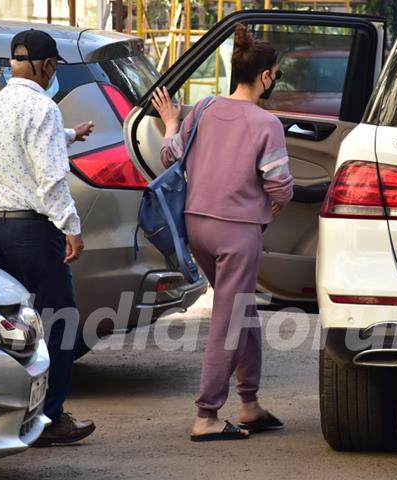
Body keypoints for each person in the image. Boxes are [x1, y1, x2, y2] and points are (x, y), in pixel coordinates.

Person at [152, 23, 294, 442]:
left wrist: (170, 122)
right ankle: (206, 414)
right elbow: (280, 184)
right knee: (229, 319)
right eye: (277, 75)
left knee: (241, 309)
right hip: (238, 233)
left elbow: (168, 156)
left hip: (197, 228)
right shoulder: (267, 124)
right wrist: (278, 203)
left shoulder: (203, 109)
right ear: (266, 76)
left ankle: (249, 403)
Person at [0, 29, 96, 447]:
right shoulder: (43, 108)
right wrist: (71, 228)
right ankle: (49, 418)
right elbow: (51, 177)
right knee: (60, 322)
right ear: (47, 67)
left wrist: (71, 135)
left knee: (0, 326)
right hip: (29, 231)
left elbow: (22, 148)